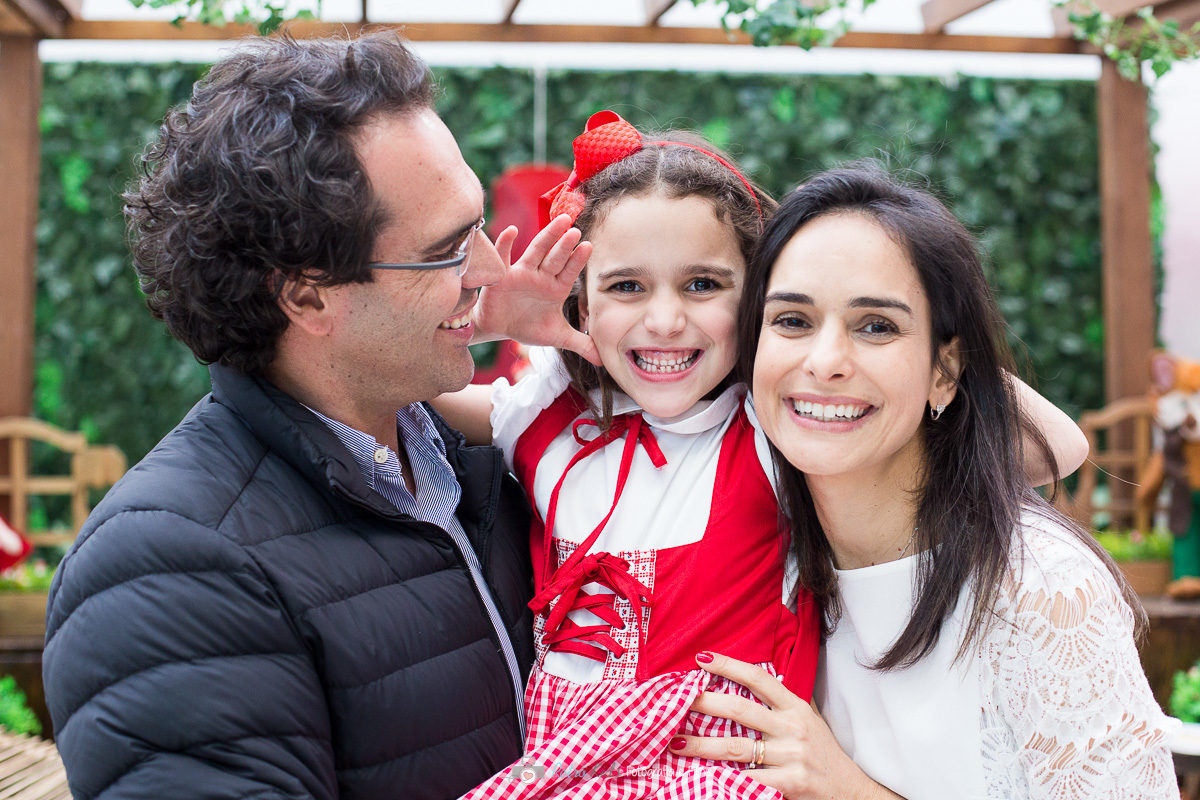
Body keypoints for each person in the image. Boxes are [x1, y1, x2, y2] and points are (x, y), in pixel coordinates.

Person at [433, 115, 1089, 798]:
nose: (664, 320)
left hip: (718, 772)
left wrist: (829, 285)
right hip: (561, 767)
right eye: (627, 287)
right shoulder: (545, 416)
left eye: (704, 285)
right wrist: (483, 323)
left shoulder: (774, 432)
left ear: (756, 301)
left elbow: (1056, 448)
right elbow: (400, 392)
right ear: (582, 301)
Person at [41, 33, 590, 800]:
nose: (493, 270)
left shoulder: (478, 459)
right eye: (447, 250)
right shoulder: (165, 568)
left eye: (476, 224)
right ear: (304, 296)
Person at [669, 165, 1178, 800]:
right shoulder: (759, 558)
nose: (824, 362)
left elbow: (1060, 445)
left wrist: (848, 790)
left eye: (876, 325)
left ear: (945, 372)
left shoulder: (1038, 589)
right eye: (792, 321)